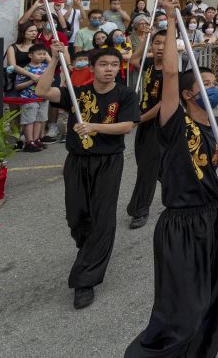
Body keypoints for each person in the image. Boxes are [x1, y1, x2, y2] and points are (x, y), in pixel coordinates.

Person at [126, 0, 218, 358]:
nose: (210, 86)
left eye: (212, 81)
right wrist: (169, 15)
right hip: (180, 225)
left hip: (215, 217)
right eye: (202, 81)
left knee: (212, 299)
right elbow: (167, 73)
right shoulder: (172, 122)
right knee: (182, 311)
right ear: (186, 92)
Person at [33, 42, 139, 310]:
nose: (110, 70)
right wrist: (55, 59)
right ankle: (89, 248)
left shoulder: (125, 95)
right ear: (91, 68)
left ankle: (85, 281)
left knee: (102, 218)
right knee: (76, 215)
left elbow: (126, 126)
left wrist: (94, 126)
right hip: (77, 161)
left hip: (107, 161)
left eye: (114, 65)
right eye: (104, 65)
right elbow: (42, 90)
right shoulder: (77, 92)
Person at [126, 29, 166, 230]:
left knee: (147, 169)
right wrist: (146, 40)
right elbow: (133, 59)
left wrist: (138, 119)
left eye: (164, 43)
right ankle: (180, 187)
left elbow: (163, 104)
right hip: (144, 121)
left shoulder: (170, 70)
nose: (160, 47)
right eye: (157, 43)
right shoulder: (149, 64)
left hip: (160, 124)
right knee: (148, 163)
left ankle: (139, 210)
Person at [13, 43, 51, 152]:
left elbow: (51, 80)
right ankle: (29, 142)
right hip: (29, 99)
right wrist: (31, 80)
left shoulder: (46, 67)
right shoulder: (26, 69)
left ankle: (36, 140)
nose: (42, 56)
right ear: (30, 55)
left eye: (44, 54)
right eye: (39, 54)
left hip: (43, 98)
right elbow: (18, 86)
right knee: (29, 120)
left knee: (40, 119)